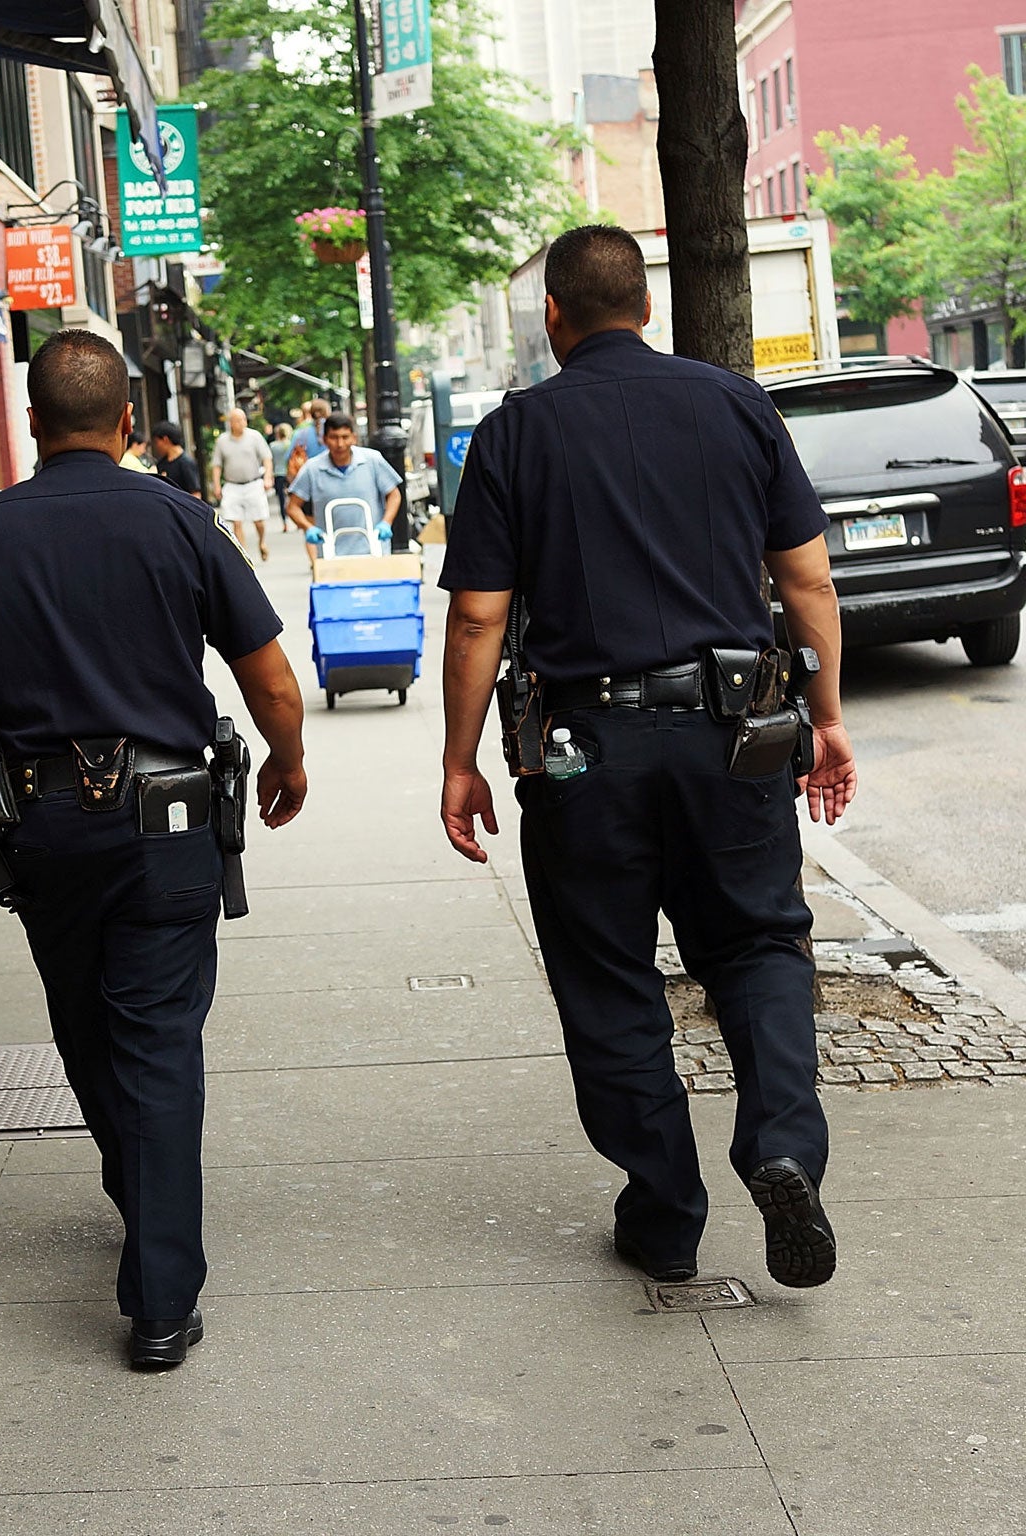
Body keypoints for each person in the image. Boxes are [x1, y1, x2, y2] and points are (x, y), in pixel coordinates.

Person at [437, 225, 857, 1293]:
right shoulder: (733, 406)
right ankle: (778, 1147)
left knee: (605, 971)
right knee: (759, 944)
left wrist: (458, 758)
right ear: (646, 308)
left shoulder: (513, 433)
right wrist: (827, 714)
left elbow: (479, 618)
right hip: (734, 737)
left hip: (584, 751)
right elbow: (806, 584)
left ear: (554, 319)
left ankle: (664, 1214)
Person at [0, 331, 308, 1370]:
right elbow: (268, 678)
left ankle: (142, 1190)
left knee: (84, 1028)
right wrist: (286, 760)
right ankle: (160, 1298)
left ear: (31, 424)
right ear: (127, 423)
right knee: (157, 1038)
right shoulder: (180, 522)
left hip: (46, 826)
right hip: (165, 821)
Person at [284, 414, 403, 572]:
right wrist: (308, 527)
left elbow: (393, 494)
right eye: (334, 437)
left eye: (345, 437)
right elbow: (293, 506)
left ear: (353, 438)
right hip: (331, 555)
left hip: (373, 550)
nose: (340, 444)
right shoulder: (313, 469)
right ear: (324, 440)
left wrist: (386, 523)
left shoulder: (372, 460)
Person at [210, 407, 274, 561]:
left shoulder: (255, 437)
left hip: (253, 483)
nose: (241, 423)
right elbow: (217, 465)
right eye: (237, 420)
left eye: (243, 419)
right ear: (230, 423)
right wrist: (217, 485)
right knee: (236, 522)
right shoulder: (222, 441)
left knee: (259, 520)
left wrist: (267, 477)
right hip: (232, 485)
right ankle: (243, 555)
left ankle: (262, 542)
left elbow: (266, 458)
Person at [151, 419, 204, 500]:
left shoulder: (186, 463)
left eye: (157, 442)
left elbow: (195, 494)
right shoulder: (161, 463)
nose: (156, 446)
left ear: (165, 439)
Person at [268, 423, 295, 531]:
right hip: (290, 474)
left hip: (278, 474)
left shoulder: (273, 446)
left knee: (281, 500)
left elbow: (271, 461)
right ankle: (295, 521)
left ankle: (285, 523)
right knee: (293, 498)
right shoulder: (290, 444)